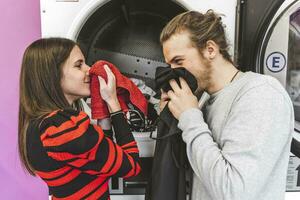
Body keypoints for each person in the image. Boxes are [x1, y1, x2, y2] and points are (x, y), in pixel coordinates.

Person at [159, 10, 294, 200]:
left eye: (178, 61)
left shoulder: (261, 94)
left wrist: (189, 116)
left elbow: (234, 192)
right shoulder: (205, 100)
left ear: (210, 50)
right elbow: (202, 177)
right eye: (169, 65)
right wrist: (173, 119)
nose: (173, 72)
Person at [18, 38, 141, 199]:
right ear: (52, 74)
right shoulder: (65, 128)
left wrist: (102, 108)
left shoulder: (38, 125)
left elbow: (102, 161)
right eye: (78, 65)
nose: (89, 69)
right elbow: (131, 167)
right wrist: (114, 103)